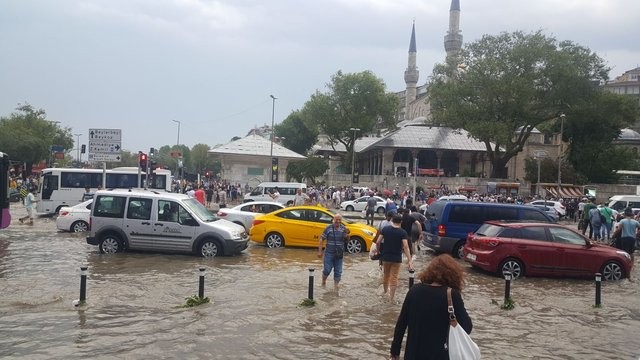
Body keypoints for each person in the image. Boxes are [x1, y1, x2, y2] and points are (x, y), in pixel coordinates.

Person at [390, 254, 473, 360]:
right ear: (454, 275)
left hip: (413, 354)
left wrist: (395, 351)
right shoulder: (452, 295)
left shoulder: (414, 291)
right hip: (441, 354)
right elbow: (467, 327)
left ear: (430, 272)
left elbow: (401, 325)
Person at [374, 213, 413, 302]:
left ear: (392, 220)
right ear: (401, 222)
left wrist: (378, 251)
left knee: (386, 275)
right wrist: (409, 259)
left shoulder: (385, 229)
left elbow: (378, 242)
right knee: (394, 277)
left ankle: (385, 292)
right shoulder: (403, 232)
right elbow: (405, 246)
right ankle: (391, 298)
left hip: (385, 257)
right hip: (396, 259)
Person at [317, 214, 349, 291]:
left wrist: (347, 236)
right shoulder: (328, 228)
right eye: (336, 219)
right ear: (333, 220)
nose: (338, 221)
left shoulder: (343, 228)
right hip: (329, 253)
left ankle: (335, 287)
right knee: (327, 270)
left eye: (339, 220)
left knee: (338, 271)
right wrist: (320, 251)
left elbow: (347, 240)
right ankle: (323, 281)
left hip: (339, 254)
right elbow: (321, 239)